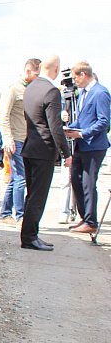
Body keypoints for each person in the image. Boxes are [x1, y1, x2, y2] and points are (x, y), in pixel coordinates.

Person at [20, 56, 72, 251]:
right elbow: (55, 126)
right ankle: (29, 237)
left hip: (30, 147)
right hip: (43, 150)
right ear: (56, 69)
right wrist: (66, 153)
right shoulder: (51, 91)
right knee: (38, 197)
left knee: (31, 195)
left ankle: (30, 234)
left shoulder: (30, 87)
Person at [64, 63, 110, 234]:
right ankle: (85, 218)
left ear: (83, 74)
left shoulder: (100, 93)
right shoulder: (84, 93)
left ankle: (91, 221)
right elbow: (83, 120)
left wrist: (82, 133)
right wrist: (69, 128)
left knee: (88, 183)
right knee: (76, 181)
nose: (74, 81)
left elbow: (103, 121)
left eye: (75, 77)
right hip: (81, 145)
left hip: (94, 146)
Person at [0, 58, 41, 223]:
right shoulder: (14, 89)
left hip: (26, 140)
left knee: (16, 178)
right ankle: (21, 216)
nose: (38, 78)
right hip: (15, 140)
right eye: (37, 74)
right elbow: (3, 115)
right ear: (28, 71)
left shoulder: (32, 90)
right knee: (21, 178)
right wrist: (7, 139)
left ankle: (5, 213)